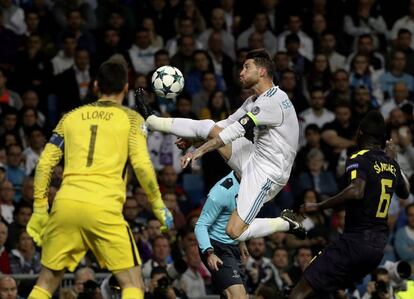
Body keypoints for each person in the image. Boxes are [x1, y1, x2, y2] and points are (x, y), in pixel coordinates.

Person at [26, 55, 173, 299]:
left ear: (95, 86)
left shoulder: (70, 117)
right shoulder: (132, 119)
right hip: (104, 208)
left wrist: (40, 209)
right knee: (133, 284)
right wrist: (158, 205)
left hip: (66, 205)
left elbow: (44, 164)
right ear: (125, 88)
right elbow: (142, 165)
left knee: (46, 283)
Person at [136, 48, 305, 244]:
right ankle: (153, 121)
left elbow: (230, 134)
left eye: (246, 67)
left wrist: (197, 151)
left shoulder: (273, 102)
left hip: (268, 174)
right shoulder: (254, 100)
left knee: (234, 232)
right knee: (209, 125)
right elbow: (226, 124)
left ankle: (285, 223)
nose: (241, 72)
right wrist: (194, 139)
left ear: (261, 71)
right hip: (253, 155)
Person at [289, 110, 410, 299]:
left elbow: (356, 191)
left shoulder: (358, 158)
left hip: (355, 242)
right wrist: (394, 161)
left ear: (360, 133)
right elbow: (406, 192)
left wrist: (318, 206)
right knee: (326, 292)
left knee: (301, 290)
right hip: (376, 250)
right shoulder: (391, 164)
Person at [194, 171, 249, 299]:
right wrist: (209, 253)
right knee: (237, 297)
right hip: (216, 246)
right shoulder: (221, 191)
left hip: (233, 246)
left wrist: (241, 241)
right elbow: (200, 225)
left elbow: (240, 216)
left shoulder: (251, 185)